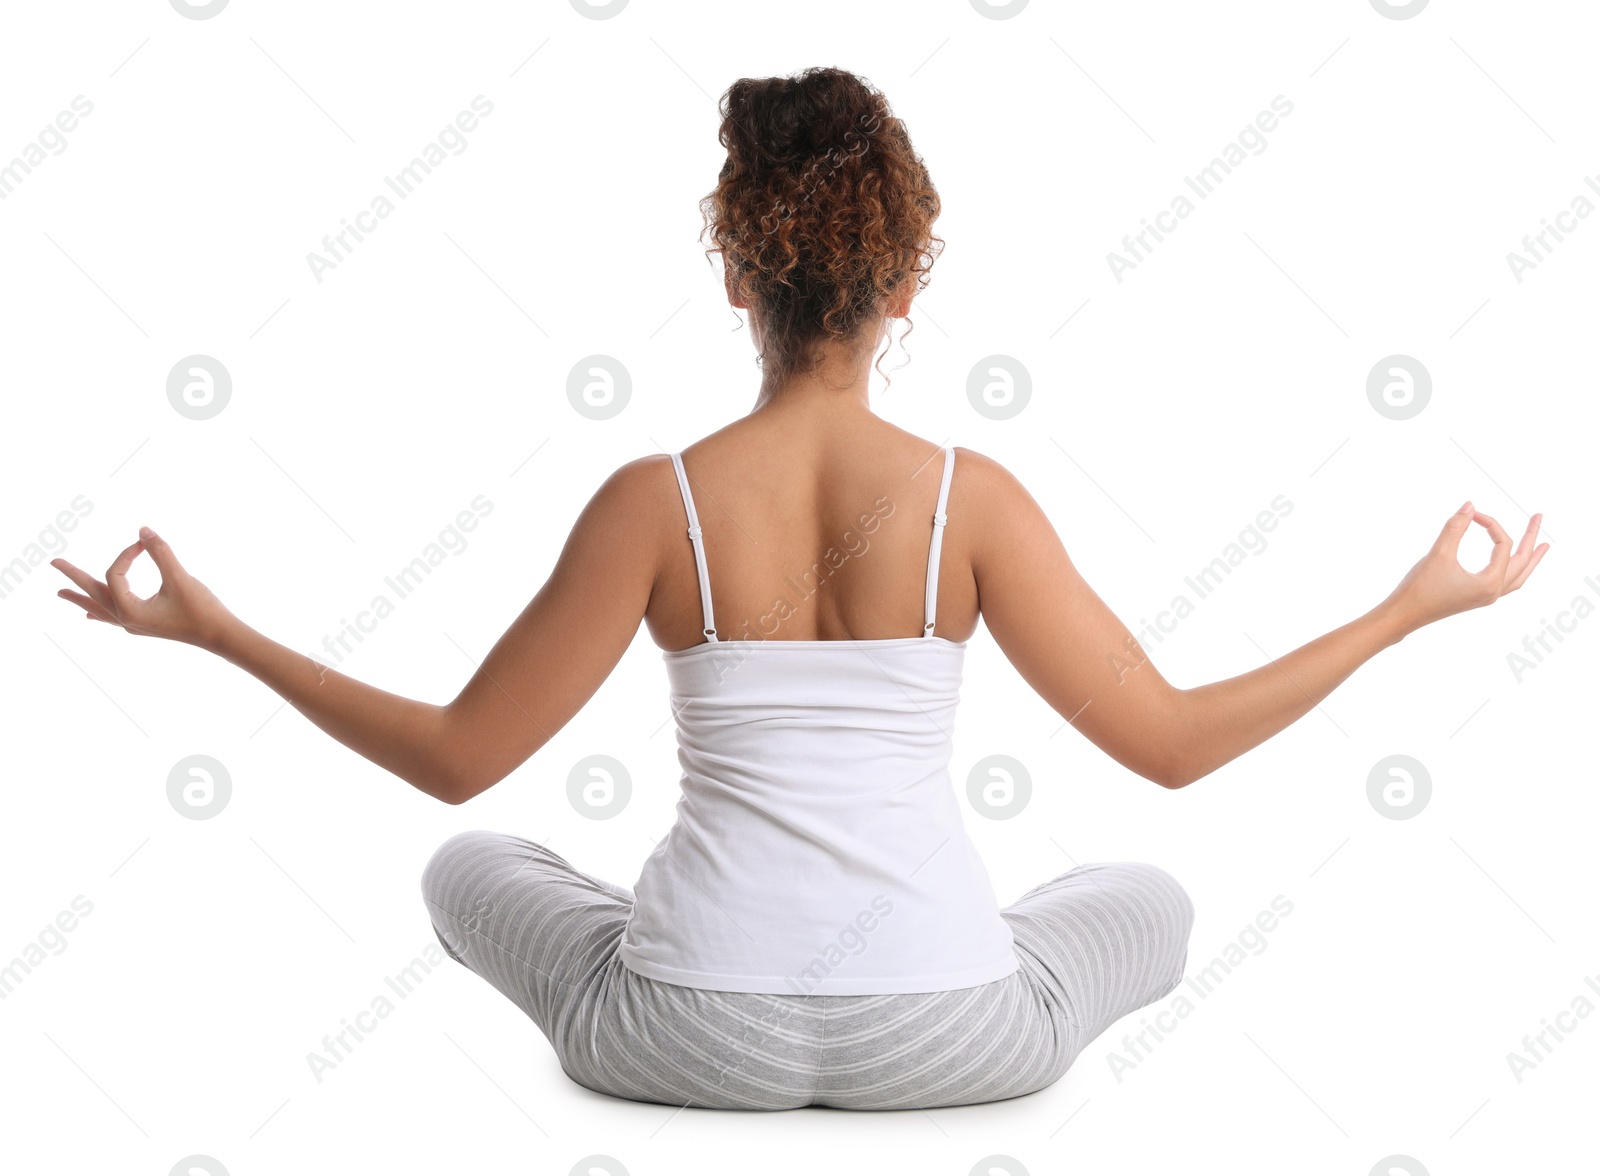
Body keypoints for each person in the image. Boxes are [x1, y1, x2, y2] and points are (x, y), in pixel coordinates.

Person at [51, 66, 1548, 1112]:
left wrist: (215, 631)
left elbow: (455, 766)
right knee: (1141, 897)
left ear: (734, 275)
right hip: (956, 1037)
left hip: (677, 1036)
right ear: (907, 286)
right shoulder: (977, 502)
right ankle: (932, 945)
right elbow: (1169, 749)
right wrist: (1408, 607)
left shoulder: (659, 504)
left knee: (473, 872)